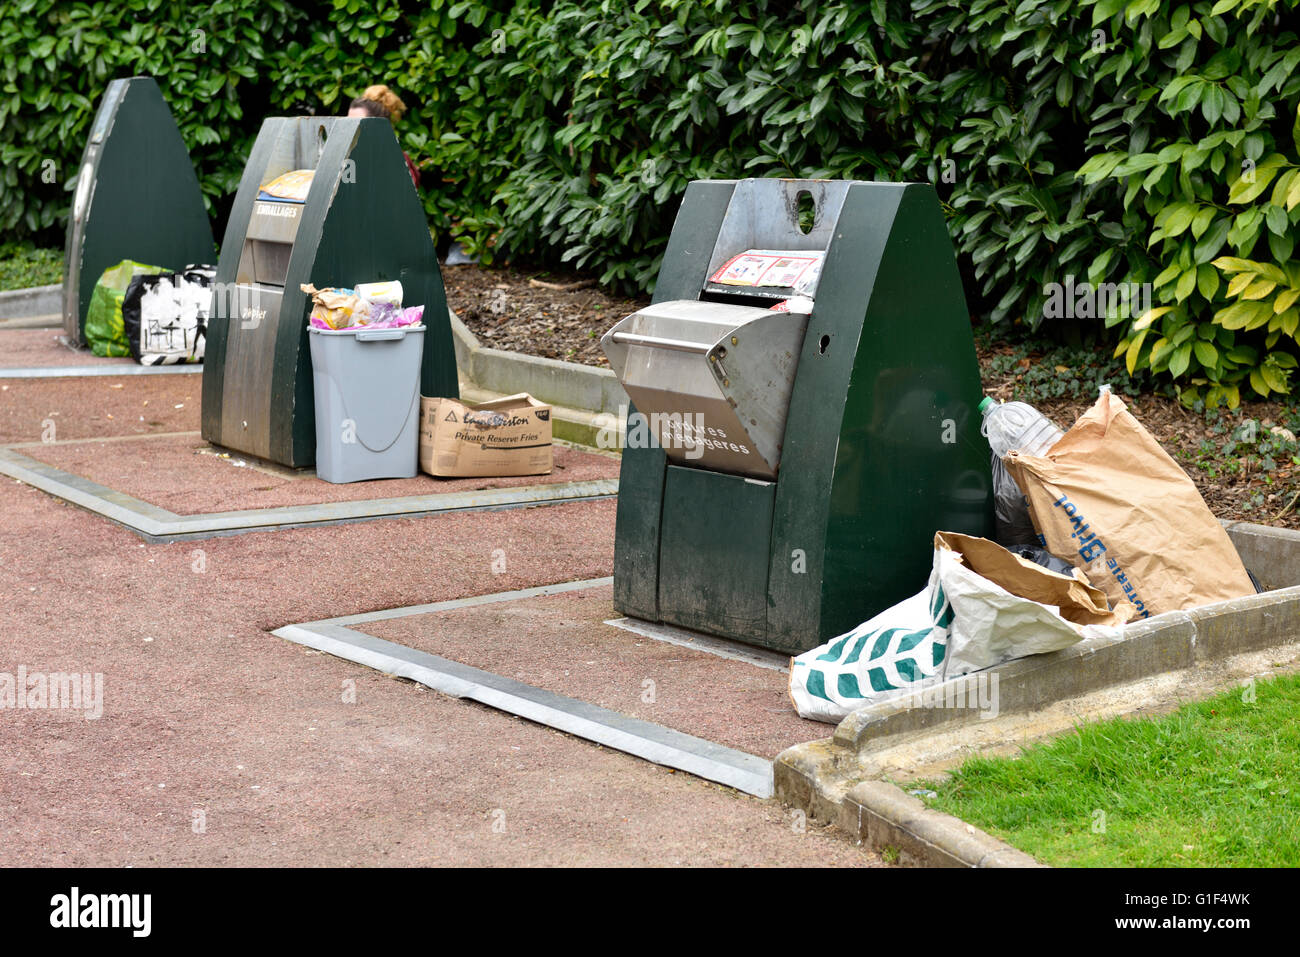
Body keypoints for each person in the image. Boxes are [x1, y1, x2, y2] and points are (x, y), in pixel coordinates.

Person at [347, 85, 420, 189]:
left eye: (357, 124)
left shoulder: (397, 162)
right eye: (347, 122)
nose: (349, 129)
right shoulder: (349, 159)